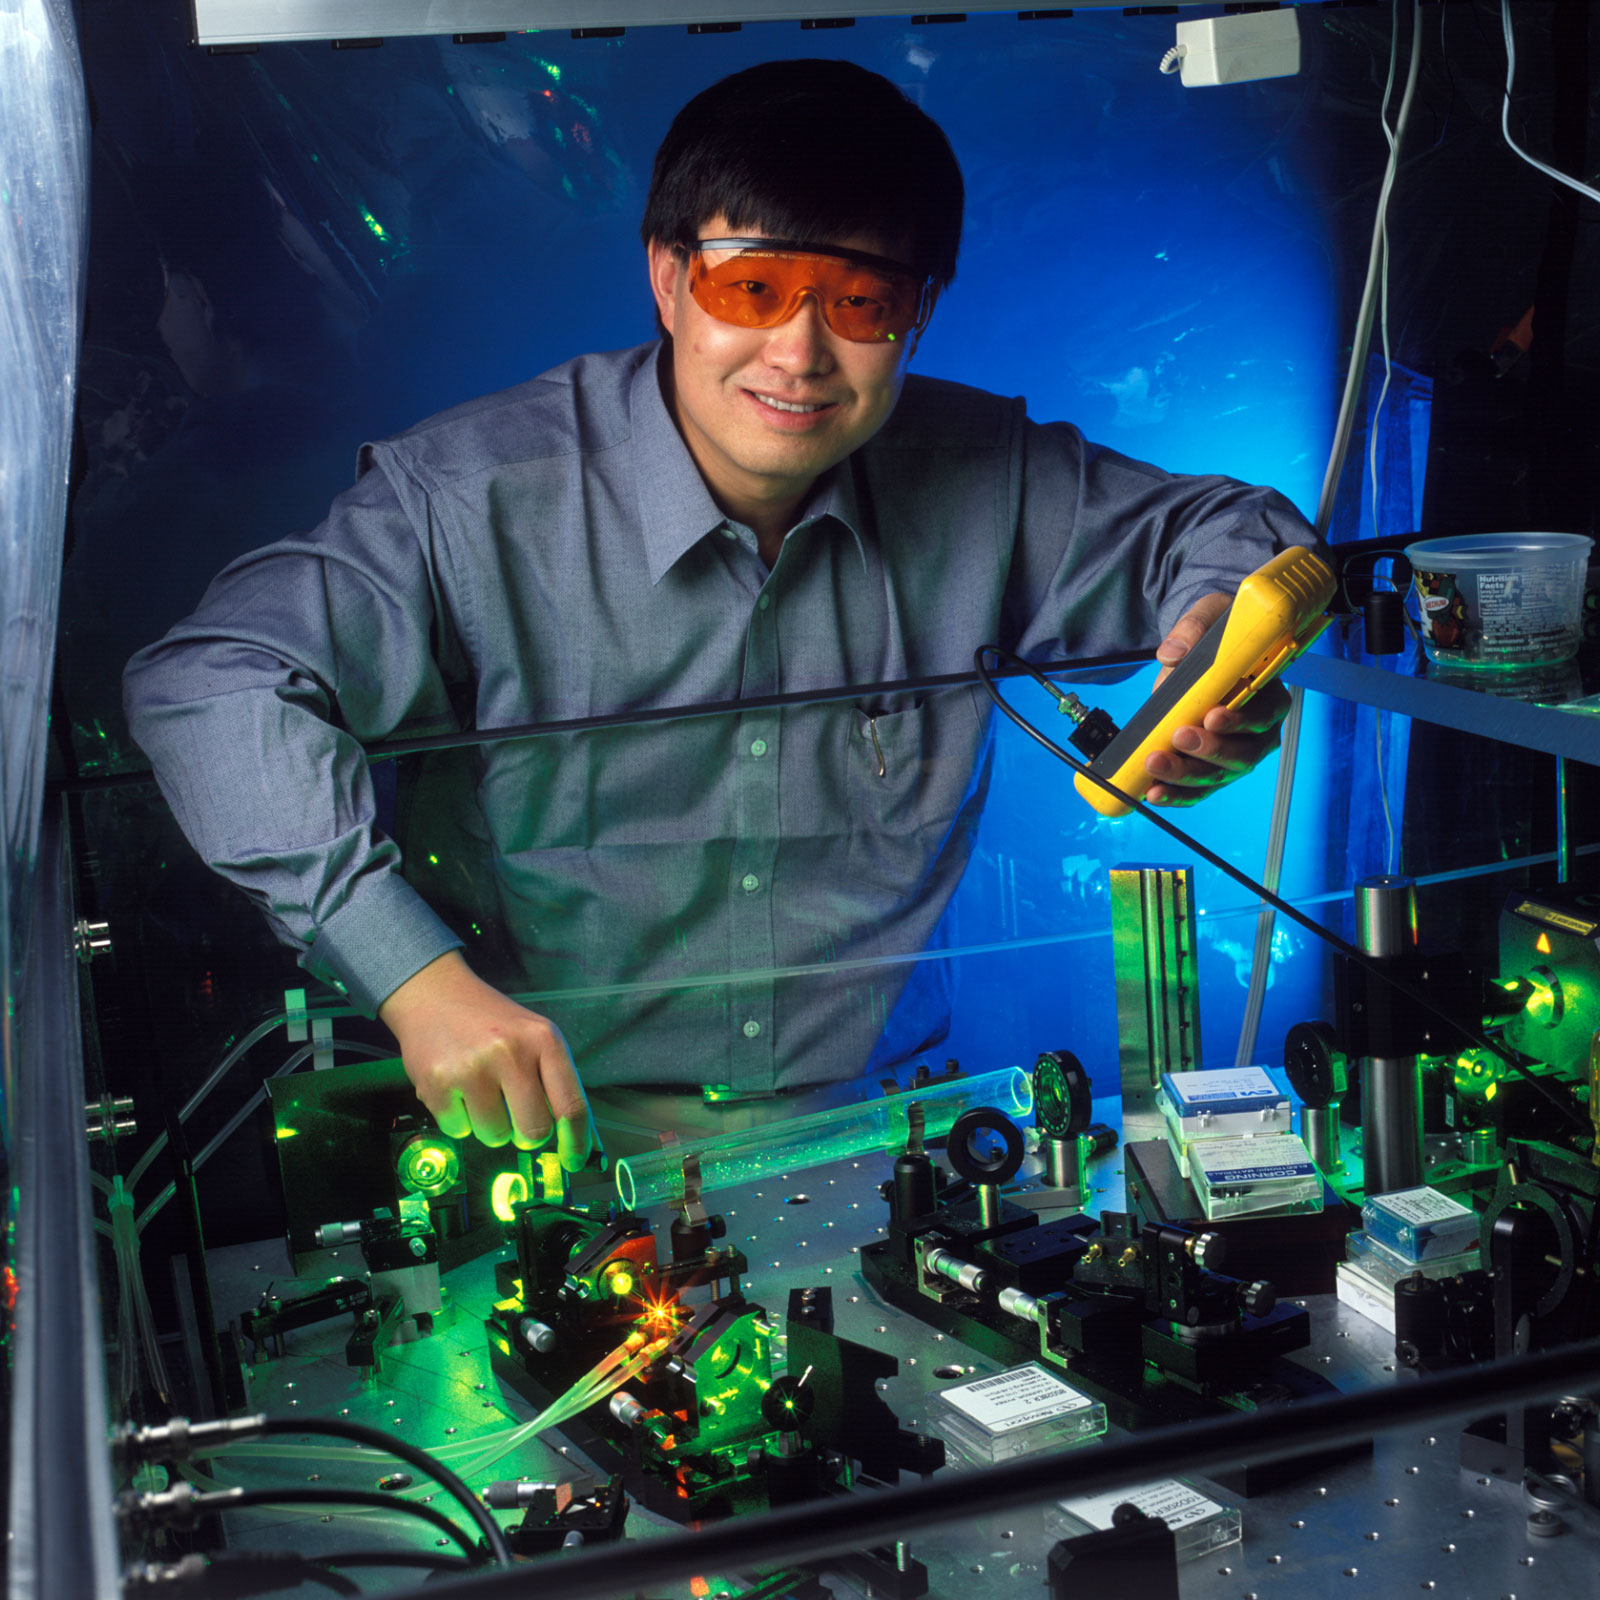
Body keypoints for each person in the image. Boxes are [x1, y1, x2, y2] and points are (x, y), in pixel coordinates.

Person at [124, 59, 1316, 1173]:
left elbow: (1245, 530)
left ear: (919, 312)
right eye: (752, 288)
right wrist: (414, 977)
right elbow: (209, 684)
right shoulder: (471, 500)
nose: (798, 353)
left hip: (891, 1138)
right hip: (551, 1156)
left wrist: (1221, 644)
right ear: (666, 277)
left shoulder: (986, 475)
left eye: (860, 300)